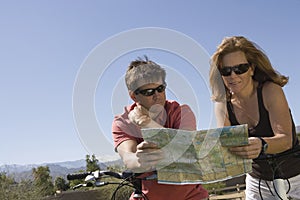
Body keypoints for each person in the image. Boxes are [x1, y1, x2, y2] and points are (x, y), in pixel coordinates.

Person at [209, 36, 300, 200]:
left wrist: (262, 144)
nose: (233, 75)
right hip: (257, 183)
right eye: (226, 71)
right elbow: (228, 149)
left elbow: (286, 140)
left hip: (295, 179)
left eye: (240, 68)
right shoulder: (222, 104)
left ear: (252, 69)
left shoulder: (270, 91)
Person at [112, 56, 209, 200]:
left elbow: (184, 148)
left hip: (190, 195)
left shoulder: (182, 112)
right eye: (149, 92)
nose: (157, 96)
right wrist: (140, 160)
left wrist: (145, 122)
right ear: (134, 96)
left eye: (160, 89)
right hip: (147, 195)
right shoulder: (122, 122)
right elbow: (128, 158)